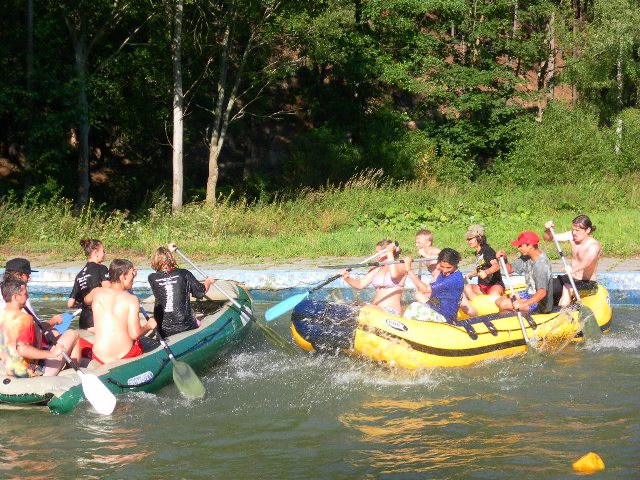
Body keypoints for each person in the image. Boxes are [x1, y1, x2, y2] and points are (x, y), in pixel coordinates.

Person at [0, 277, 80, 377]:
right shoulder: (24, 318)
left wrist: (53, 322)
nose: (27, 297)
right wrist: (53, 353)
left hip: (9, 368)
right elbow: (22, 349)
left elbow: (36, 329)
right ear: (15, 297)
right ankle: (73, 376)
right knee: (73, 334)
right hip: (30, 372)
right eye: (25, 294)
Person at [84, 259, 157, 365]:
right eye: (132, 274)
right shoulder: (131, 299)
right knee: (140, 341)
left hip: (99, 356)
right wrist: (149, 326)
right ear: (123, 276)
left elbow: (86, 300)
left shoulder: (97, 292)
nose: (134, 277)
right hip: (125, 355)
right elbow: (135, 334)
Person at [148, 246, 215, 337]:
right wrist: (208, 281)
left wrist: (166, 253)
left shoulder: (152, 278)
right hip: (185, 325)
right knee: (198, 321)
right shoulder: (184, 273)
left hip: (163, 329)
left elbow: (163, 272)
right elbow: (201, 291)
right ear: (171, 259)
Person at [1, 258, 65, 344]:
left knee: (54, 332)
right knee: (70, 335)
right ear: (18, 275)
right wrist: (54, 321)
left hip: (7, 338)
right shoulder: (20, 296)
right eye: (27, 275)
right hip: (20, 340)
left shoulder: (4, 291)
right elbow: (35, 326)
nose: (29, 279)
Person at [543, 215, 602, 306]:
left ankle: (563, 311)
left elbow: (587, 262)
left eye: (577, 230)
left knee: (567, 288)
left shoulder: (593, 245)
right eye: (573, 229)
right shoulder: (572, 236)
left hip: (587, 282)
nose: (574, 232)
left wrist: (573, 269)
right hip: (570, 278)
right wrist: (548, 230)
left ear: (588, 230)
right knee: (548, 286)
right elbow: (548, 238)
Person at [341, 240, 408, 315]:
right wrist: (347, 278)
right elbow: (360, 285)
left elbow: (394, 276)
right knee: (355, 305)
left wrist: (389, 253)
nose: (377, 256)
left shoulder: (401, 265)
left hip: (390, 311)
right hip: (375, 308)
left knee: (365, 309)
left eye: (378, 253)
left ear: (385, 252)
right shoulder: (377, 269)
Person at [495, 231, 553, 314]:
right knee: (499, 300)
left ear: (530, 246)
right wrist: (504, 259)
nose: (518, 248)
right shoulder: (526, 257)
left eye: (521, 246)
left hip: (540, 303)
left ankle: (508, 318)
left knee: (504, 304)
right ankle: (513, 314)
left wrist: (523, 304)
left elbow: (542, 292)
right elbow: (510, 270)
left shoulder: (541, 265)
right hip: (529, 293)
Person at [403, 248, 465, 323]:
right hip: (437, 307)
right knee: (417, 299)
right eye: (442, 266)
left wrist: (409, 270)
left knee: (413, 308)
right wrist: (438, 269)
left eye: (449, 267)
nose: (445, 271)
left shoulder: (453, 279)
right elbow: (432, 287)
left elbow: (425, 289)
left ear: (455, 264)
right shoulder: (444, 273)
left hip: (445, 316)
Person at [67, 238, 110, 330]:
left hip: (84, 322)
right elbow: (107, 290)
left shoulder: (79, 275)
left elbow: (70, 304)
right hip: (98, 320)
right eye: (103, 251)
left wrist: (83, 305)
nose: (105, 253)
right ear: (96, 252)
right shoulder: (101, 268)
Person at [463, 224, 505, 299]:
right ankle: (477, 304)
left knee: (493, 293)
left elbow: (496, 266)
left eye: (470, 239)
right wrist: (471, 273)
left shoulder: (487, 251)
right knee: (467, 288)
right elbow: (481, 267)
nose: (468, 241)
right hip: (482, 286)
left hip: (494, 285)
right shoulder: (478, 253)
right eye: (468, 239)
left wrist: (486, 272)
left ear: (479, 238)